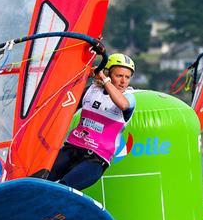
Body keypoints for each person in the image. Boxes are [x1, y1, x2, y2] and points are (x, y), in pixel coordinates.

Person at [47, 53, 137, 190]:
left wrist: (103, 78)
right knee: (40, 180)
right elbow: (63, 107)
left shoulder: (129, 98)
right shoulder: (92, 90)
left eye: (127, 77)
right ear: (108, 73)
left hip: (95, 160)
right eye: (119, 76)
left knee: (62, 188)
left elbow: (123, 105)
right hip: (71, 149)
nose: (123, 81)